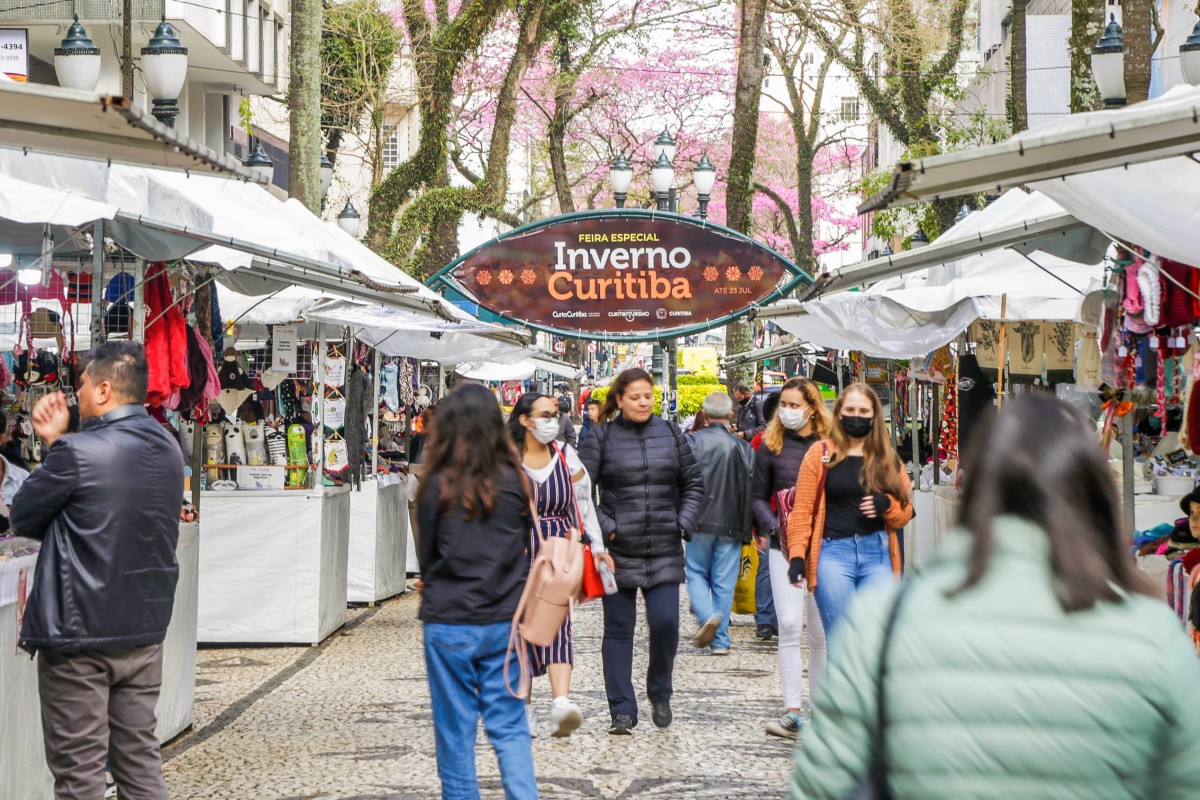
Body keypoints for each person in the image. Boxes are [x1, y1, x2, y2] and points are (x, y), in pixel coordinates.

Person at [791, 395, 1200, 799]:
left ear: (976, 494)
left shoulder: (886, 621)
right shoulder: (1153, 633)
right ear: (1096, 501)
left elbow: (825, 782)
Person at [13, 342, 185, 800]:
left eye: (83, 384)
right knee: (140, 765)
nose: (78, 394)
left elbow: (24, 517)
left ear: (105, 389)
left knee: (80, 776)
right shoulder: (169, 448)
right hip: (144, 632)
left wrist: (54, 443)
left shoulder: (77, 451)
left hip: (79, 635)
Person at [417, 383, 538, 800]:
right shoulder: (515, 481)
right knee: (509, 727)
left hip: (448, 621)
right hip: (504, 620)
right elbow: (525, 545)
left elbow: (427, 558)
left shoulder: (435, 484)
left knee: (455, 731)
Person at [580, 368, 705, 735]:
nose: (642, 403)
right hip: (619, 550)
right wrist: (608, 528)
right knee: (619, 630)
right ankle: (621, 709)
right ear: (619, 400)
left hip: (664, 546)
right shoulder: (600, 438)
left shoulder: (670, 433)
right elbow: (583, 494)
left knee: (666, 623)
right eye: (634, 397)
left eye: (647, 396)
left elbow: (693, 481)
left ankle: (659, 690)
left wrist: (684, 521)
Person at [507, 392, 613, 738]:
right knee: (519, 628)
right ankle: (522, 707)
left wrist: (597, 547)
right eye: (546, 415)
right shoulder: (505, 460)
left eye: (555, 414)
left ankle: (561, 702)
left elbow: (584, 507)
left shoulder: (566, 456)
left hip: (558, 552)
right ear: (525, 420)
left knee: (557, 622)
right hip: (514, 551)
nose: (553, 420)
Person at [786, 383, 913, 638]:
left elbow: (905, 512)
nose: (857, 416)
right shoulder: (820, 454)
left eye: (864, 411)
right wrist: (797, 556)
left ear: (875, 416)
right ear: (840, 414)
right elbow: (801, 510)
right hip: (833, 554)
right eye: (851, 409)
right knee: (843, 642)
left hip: (878, 555)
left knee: (873, 643)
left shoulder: (887, 458)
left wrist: (886, 504)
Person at [751, 377, 831, 739]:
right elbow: (755, 496)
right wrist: (771, 525)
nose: (786, 411)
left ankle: (822, 709)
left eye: (794, 405)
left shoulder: (832, 445)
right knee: (787, 623)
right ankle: (792, 709)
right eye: (783, 404)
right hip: (783, 547)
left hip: (824, 547)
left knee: (819, 633)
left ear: (812, 407)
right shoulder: (771, 446)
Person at [684, 392, 754, 655]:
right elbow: (751, 487)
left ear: (703, 413)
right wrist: (752, 526)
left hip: (698, 519)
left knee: (696, 573)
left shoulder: (690, 442)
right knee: (725, 582)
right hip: (733, 521)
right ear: (729, 415)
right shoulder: (744, 448)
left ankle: (706, 616)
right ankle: (721, 640)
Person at [749, 390, 782, 641]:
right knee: (767, 567)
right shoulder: (761, 441)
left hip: (778, 511)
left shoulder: (758, 440)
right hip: (768, 512)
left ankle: (770, 618)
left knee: (770, 568)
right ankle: (766, 619)